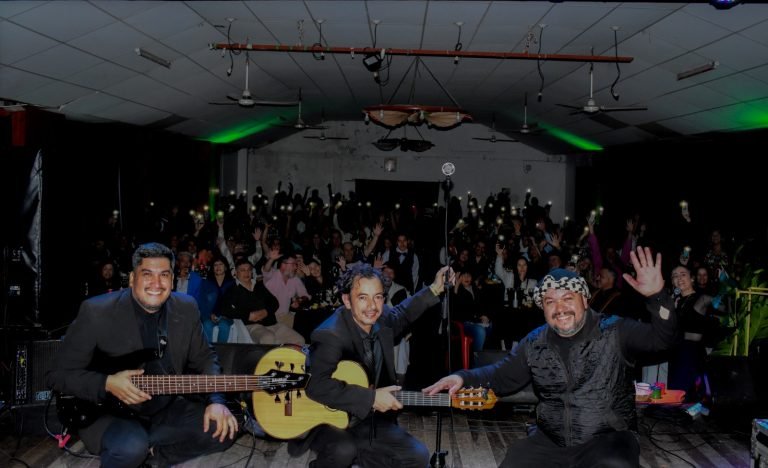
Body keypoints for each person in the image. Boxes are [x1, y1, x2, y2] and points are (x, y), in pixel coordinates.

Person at [425, 247, 677, 468]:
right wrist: (462, 377)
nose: (560, 308)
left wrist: (658, 297)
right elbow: (501, 376)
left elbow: (662, 340)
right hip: (552, 439)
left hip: (608, 438)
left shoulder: (614, 330)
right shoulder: (535, 342)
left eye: (567, 298)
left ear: (584, 299)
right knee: (515, 461)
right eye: (550, 302)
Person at [47, 243, 238, 468]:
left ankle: (154, 457)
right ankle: (137, 449)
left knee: (224, 428)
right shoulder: (96, 312)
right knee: (131, 448)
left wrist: (216, 401)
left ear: (172, 280)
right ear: (132, 278)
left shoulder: (186, 308)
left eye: (164, 275)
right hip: (106, 412)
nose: (156, 283)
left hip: (162, 407)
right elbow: (57, 375)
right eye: (147, 274)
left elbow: (205, 357)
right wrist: (107, 383)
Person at [297, 263, 453, 468]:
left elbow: (404, 312)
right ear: (347, 300)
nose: (372, 306)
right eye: (363, 297)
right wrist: (371, 398)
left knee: (418, 456)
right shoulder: (330, 335)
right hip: (325, 420)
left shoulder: (382, 318)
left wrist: (435, 288)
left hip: (369, 419)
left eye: (378, 297)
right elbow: (316, 385)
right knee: (344, 451)